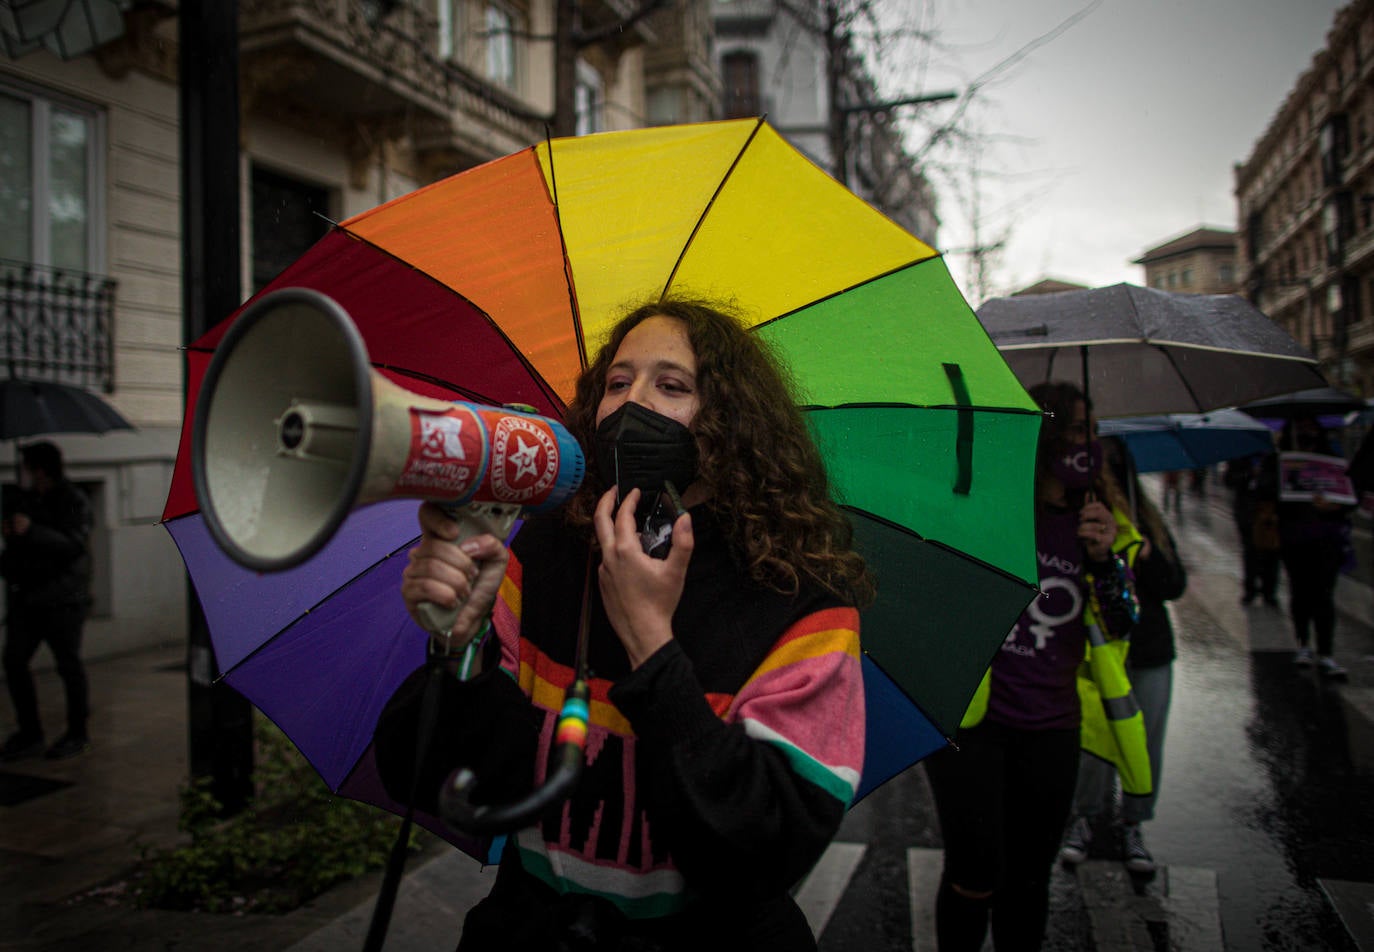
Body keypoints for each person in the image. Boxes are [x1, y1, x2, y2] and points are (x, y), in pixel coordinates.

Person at [373, 299, 871, 950]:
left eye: (672, 385)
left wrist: (650, 642)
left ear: (732, 423)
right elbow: (435, 780)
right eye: (617, 381)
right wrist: (460, 649)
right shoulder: (546, 549)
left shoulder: (798, 600)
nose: (632, 404)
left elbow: (764, 851)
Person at [923, 381, 1145, 952]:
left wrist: (1103, 561)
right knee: (973, 873)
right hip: (974, 727)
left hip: (1052, 727)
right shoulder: (989, 505)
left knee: (1028, 879)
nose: (1090, 443)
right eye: (1078, 429)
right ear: (1046, 435)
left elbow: (1122, 626)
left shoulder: (1102, 523)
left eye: (1095, 432)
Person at [1060, 436, 1187, 876]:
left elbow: (1174, 584)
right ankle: (1086, 816)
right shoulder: (1078, 519)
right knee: (1094, 742)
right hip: (1097, 656)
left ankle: (1134, 821)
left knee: (1144, 744)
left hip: (1149, 651)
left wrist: (1145, 554)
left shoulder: (1145, 520)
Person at [0, 441, 95, 761]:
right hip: (27, 600)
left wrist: (32, 530)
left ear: (39, 470)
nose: (22, 474)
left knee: (68, 666)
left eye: (26, 468)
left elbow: (73, 545)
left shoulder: (73, 499)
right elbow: (19, 555)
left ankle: (77, 733)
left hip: (64, 600)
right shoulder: (23, 500)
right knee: (14, 662)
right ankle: (29, 732)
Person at [1274, 415, 1352, 678]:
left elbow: (1349, 494)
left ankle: (1326, 652)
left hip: (1326, 537)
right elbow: (1265, 493)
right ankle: (1303, 643)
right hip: (1294, 537)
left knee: (1324, 594)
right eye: (1300, 428)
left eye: (1309, 428)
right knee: (1300, 592)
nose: (1306, 432)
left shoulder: (1331, 459)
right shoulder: (1279, 460)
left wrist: (1336, 506)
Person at [1222, 451, 1281, 607]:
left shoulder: (1274, 458)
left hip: (1268, 512)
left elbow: (1280, 484)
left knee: (1271, 551)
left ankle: (1269, 590)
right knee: (1250, 551)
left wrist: (1263, 480)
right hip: (1246, 513)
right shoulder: (1239, 456)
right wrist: (1249, 475)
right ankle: (1250, 589)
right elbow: (1229, 480)